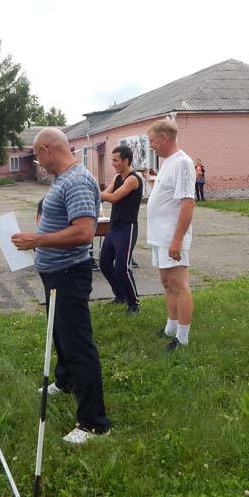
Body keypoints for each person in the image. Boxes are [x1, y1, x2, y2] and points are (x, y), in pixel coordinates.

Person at [12, 127, 111, 445]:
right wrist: (37, 239)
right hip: (55, 272)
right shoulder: (63, 179)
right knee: (59, 333)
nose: (37, 163)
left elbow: (84, 232)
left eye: (36, 155)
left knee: (78, 343)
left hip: (69, 273)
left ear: (46, 150)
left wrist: (37, 240)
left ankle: (94, 423)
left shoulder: (77, 181)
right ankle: (65, 381)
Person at [147, 117, 196, 352]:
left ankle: (182, 338)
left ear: (164, 138)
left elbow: (187, 203)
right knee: (167, 283)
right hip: (160, 236)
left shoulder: (183, 163)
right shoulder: (167, 162)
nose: (151, 146)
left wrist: (177, 239)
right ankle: (171, 327)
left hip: (171, 236)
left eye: (152, 141)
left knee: (179, 284)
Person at [99, 145, 143, 313]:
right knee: (104, 263)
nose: (113, 163)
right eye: (112, 160)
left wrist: (93, 191)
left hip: (127, 228)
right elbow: (105, 194)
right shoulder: (117, 178)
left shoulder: (133, 179)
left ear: (126, 160)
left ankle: (134, 304)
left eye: (115, 160)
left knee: (121, 268)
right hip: (114, 227)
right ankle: (120, 295)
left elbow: (113, 197)